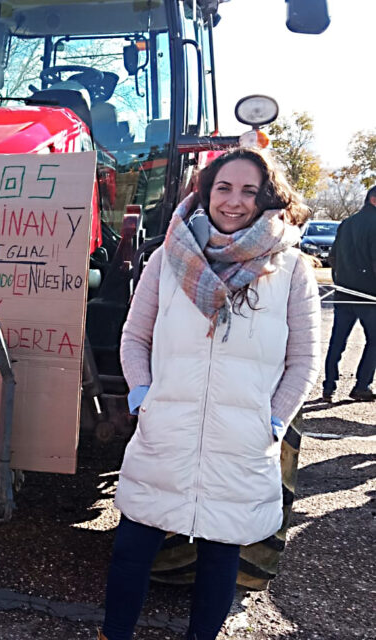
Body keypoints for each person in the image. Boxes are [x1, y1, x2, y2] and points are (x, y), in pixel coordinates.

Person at [99, 147, 321, 640]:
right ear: (206, 192)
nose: (235, 201)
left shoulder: (291, 269)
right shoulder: (167, 257)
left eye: (249, 191)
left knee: (221, 556)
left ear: (268, 197)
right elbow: (135, 337)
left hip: (241, 438)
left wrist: (274, 422)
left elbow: (304, 361)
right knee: (133, 546)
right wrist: (143, 398)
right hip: (166, 430)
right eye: (224, 188)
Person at [321, 186, 376, 402]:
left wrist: (340, 279)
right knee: (374, 341)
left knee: (337, 341)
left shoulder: (347, 223)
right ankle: (362, 385)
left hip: (344, 292)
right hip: (370, 295)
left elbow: (332, 257)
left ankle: (328, 387)